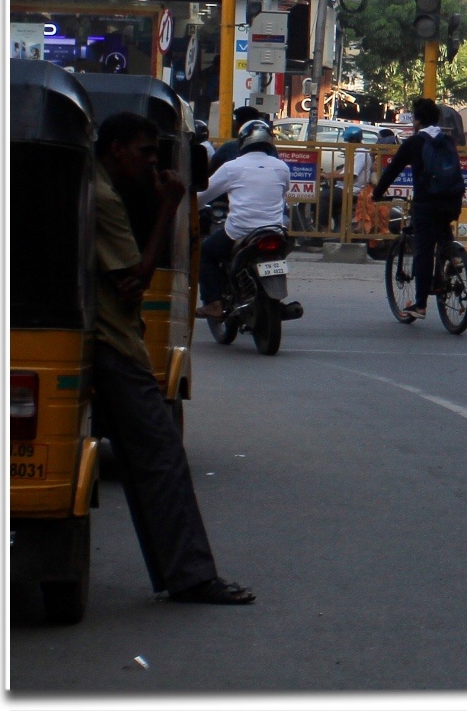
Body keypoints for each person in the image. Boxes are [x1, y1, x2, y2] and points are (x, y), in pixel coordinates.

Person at [90, 112, 255, 605]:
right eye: (144, 152)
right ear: (117, 148)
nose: (150, 163)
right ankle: (190, 575)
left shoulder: (95, 185)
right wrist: (169, 207)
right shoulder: (102, 200)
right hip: (112, 343)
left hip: (95, 337)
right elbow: (135, 279)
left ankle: (184, 572)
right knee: (160, 455)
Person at [372, 98, 465, 321]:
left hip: (427, 203)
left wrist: (377, 194)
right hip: (453, 200)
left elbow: (392, 170)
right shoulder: (448, 141)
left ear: (418, 119)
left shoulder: (414, 143)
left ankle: (421, 305)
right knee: (442, 227)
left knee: (423, 251)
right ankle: (453, 257)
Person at [196, 122, 292, 323]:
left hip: (239, 231)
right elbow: (282, 195)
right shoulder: (282, 167)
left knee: (206, 252)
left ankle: (213, 303)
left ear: (242, 142)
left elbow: (202, 196)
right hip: (275, 230)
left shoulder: (232, 167)